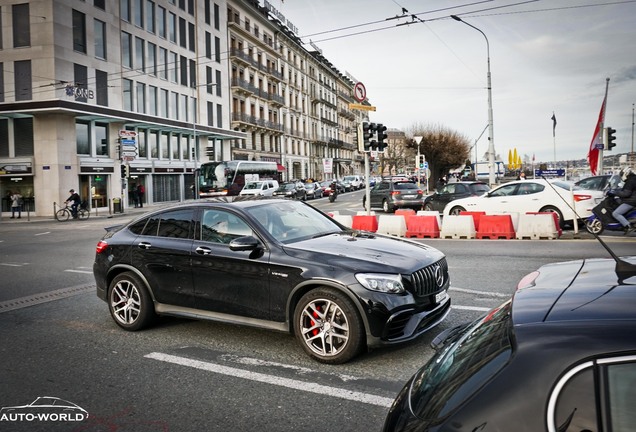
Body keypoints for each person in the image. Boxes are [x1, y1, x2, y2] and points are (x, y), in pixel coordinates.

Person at [610, 167, 636, 235]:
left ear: (626, 174)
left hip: (631, 201)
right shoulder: (633, 179)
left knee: (616, 213)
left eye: (621, 174)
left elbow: (626, 193)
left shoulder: (630, 181)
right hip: (633, 200)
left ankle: (628, 226)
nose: (621, 176)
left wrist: (614, 193)